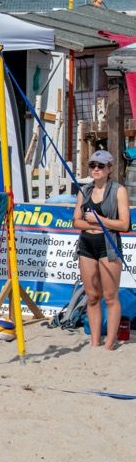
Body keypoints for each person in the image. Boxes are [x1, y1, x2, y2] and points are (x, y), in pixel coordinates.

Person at [73, 150, 131, 350]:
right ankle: (94, 342)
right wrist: (98, 225)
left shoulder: (118, 191)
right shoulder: (85, 190)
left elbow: (124, 225)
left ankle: (108, 344)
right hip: (86, 244)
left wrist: (99, 221)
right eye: (93, 165)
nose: (96, 169)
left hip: (108, 245)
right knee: (92, 296)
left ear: (109, 169)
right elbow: (76, 222)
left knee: (110, 296)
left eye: (101, 166)